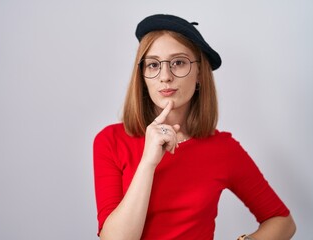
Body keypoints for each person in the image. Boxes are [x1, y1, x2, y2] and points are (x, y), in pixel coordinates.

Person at [93, 14, 296, 240]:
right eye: (153, 65)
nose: (165, 76)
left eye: (178, 62)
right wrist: (148, 163)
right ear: (142, 76)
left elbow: (283, 222)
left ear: (199, 73)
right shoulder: (110, 140)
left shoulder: (223, 148)